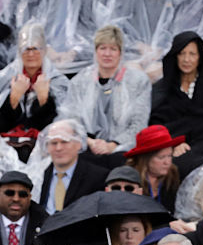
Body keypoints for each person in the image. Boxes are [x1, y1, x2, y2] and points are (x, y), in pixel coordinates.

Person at [59, 25, 151, 155]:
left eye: (113, 49)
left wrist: (113, 145)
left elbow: (138, 125)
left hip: (123, 149)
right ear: (96, 51)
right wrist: (90, 142)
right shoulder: (79, 81)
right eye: (102, 48)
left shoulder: (138, 82)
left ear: (120, 53)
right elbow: (70, 120)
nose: (107, 54)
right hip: (85, 146)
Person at [148, 31, 203, 177]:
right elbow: (156, 125)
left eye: (192, 54)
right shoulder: (162, 89)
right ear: (175, 56)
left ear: (200, 57)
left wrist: (192, 148)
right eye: (182, 53)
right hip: (168, 150)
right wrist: (173, 144)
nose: (187, 59)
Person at [0, 22, 68, 157]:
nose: (31, 54)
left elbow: (62, 126)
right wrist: (14, 98)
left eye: (35, 48)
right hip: (7, 144)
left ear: (44, 50)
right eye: (25, 49)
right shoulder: (0, 80)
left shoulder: (58, 81)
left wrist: (43, 99)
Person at [37, 119, 108, 216]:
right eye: (54, 143)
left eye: (64, 142)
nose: (59, 148)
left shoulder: (97, 177)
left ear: (78, 144)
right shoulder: (39, 175)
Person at [125, 125, 183, 214]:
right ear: (145, 159)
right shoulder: (129, 180)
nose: (167, 162)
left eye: (170, 156)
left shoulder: (173, 174)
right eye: (161, 157)